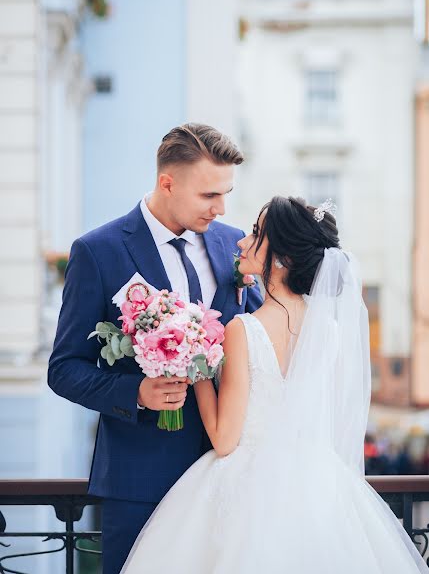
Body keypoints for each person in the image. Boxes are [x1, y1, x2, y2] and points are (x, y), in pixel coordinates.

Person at [121, 196, 428, 574]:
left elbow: (224, 439)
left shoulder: (243, 330)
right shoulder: (329, 331)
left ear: (281, 257)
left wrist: (195, 362)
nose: (241, 242)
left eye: (255, 234)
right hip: (318, 485)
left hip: (246, 487)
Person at [47, 123, 263, 574]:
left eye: (226, 193)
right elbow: (64, 368)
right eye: (209, 196)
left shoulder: (234, 245)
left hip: (231, 478)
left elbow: (261, 338)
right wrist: (137, 393)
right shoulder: (98, 251)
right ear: (168, 182)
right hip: (140, 480)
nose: (221, 209)